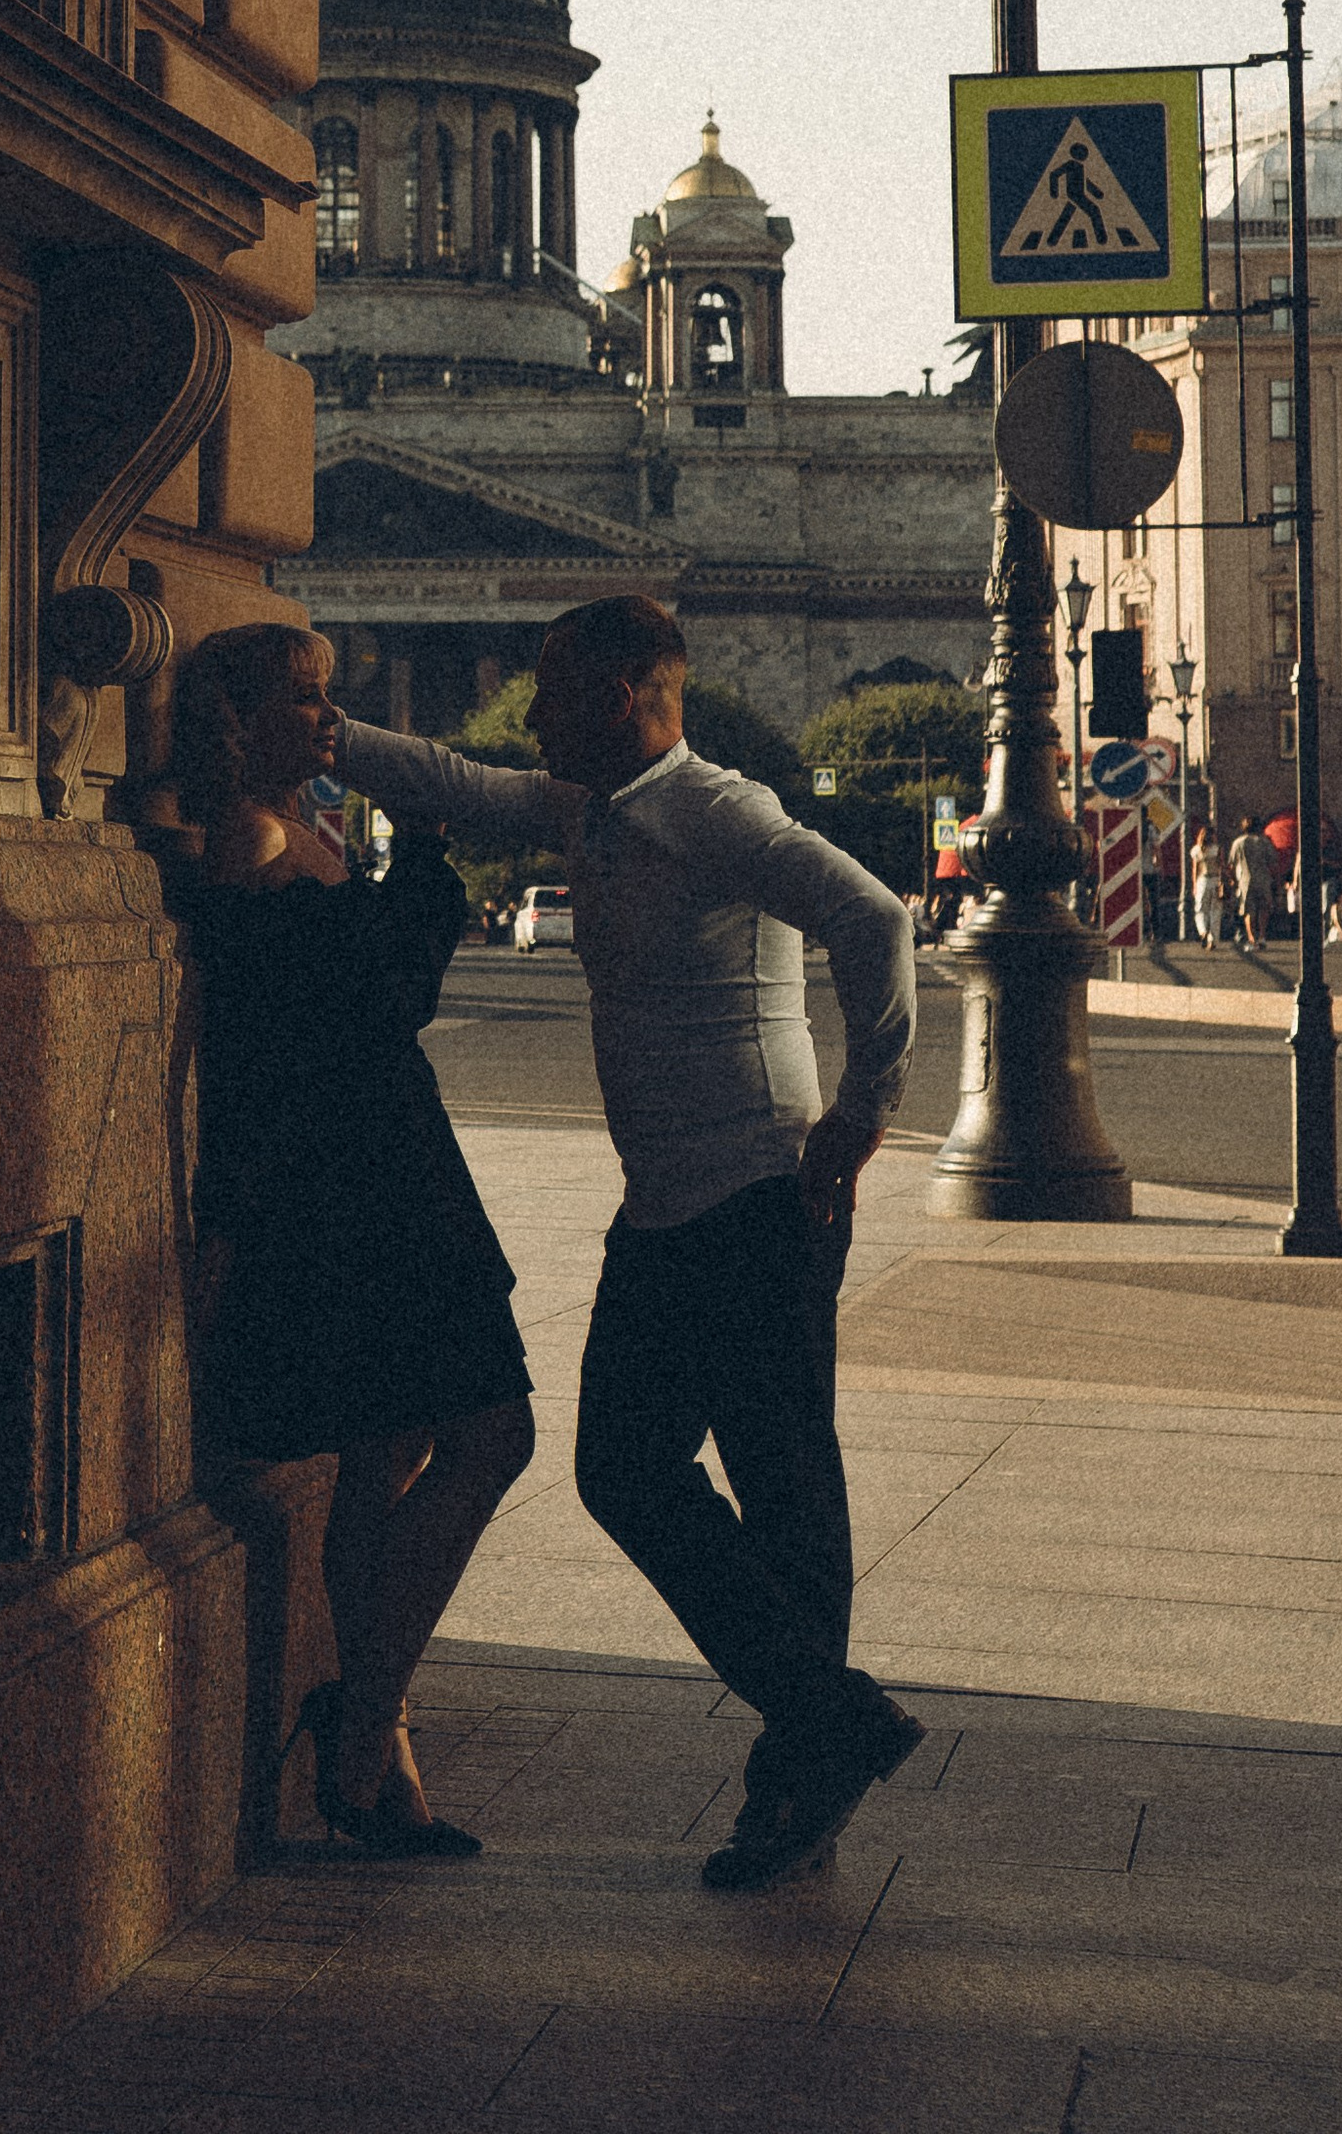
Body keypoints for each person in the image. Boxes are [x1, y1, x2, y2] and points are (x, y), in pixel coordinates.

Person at [328, 595, 924, 1893]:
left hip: (764, 1198)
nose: (532, 716)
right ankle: (826, 1725)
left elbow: (875, 919)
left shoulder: (715, 809)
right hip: (665, 1205)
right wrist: (323, 731)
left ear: (618, 698)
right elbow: (454, 782)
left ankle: (800, 1775)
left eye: (550, 691)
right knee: (622, 1469)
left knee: (780, 1492)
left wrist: (863, 1112)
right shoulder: (584, 809)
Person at [161, 622, 534, 1859]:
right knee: (492, 1433)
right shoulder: (258, 839)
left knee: (390, 1454)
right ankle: (364, 1721)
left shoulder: (286, 831)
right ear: (236, 720)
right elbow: (370, 1000)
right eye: (303, 700)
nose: (332, 720)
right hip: (362, 1180)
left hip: (366, 1166)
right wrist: (427, 862)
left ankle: (375, 1756)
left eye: (332, 699)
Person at [1230, 820, 1273, 950]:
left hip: (1245, 880)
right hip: (1263, 878)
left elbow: (1232, 863)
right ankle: (1262, 936)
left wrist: (1233, 880)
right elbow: (1272, 861)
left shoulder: (1238, 843)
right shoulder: (1264, 842)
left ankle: (1252, 938)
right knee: (1263, 908)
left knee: (1249, 910)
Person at [1190, 825, 1227, 948]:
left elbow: (1195, 870)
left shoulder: (1196, 850)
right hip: (1216, 880)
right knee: (1215, 911)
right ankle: (1213, 939)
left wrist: (1194, 885)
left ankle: (1203, 931)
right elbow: (1221, 866)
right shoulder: (1217, 849)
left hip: (1202, 881)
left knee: (1200, 910)